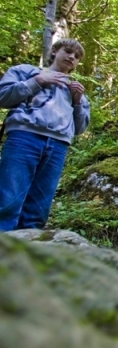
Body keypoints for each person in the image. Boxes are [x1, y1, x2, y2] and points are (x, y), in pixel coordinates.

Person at [0, 38, 89, 231]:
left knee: (40, 205)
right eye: (68, 51)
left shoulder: (75, 89)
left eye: (77, 57)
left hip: (58, 145)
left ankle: (29, 252)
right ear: (55, 51)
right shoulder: (26, 71)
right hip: (24, 137)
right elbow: (3, 96)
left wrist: (77, 101)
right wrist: (38, 81)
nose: (72, 57)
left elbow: (80, 128)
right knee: (9, 198)